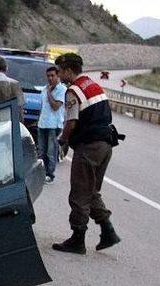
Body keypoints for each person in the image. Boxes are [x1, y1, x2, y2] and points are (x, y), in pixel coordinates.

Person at [52, 53, 120, 254]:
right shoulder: (93, 84)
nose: (59, 74)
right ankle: (108, 231)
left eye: (60, 71)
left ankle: (78, 239)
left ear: (69, 70)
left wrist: (63, 140)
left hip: (89, 146)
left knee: (80, 193)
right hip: (105, 144)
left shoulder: (73, 90)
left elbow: (71, 122)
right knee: (90, 191)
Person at [37, 66, 66, 183]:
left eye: (52, 76)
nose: (50, 78)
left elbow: (55, 106)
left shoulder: (61, 90)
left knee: (51, 152)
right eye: (48, 76)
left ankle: (50, 175)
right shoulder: (44, 89)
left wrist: (49, 92)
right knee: (41, 151)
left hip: (54, 125)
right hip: (42, 124)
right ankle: (42, 174)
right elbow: (43, 107)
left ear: (58, 76)